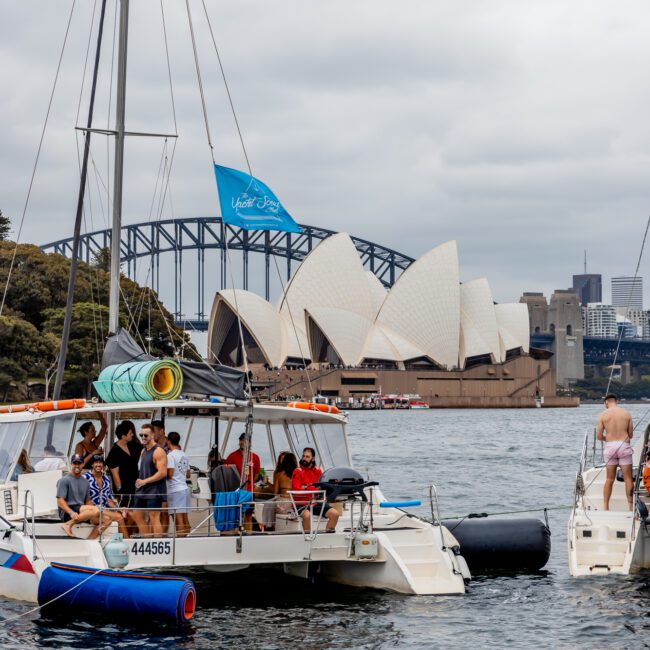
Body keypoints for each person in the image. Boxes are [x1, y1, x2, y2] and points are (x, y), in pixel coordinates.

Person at [597, 393, 634, 511]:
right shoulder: (627, 414)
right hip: (624, 446)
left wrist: (606, 438)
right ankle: (630, 507)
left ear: (606, 402)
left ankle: (606, 507)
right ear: (616, 401)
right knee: (628, 478)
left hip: (610, 447)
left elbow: (598, 436)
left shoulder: (603, 415)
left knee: (609, 479)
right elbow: (631, 435)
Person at [131, 423, 168, 537]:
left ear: (152, 435)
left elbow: (162, 473)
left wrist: (145, 481)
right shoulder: (143, 451)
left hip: (154, 490)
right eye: (141, 435)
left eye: (145, 435)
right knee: (136, 514)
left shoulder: (158, 451)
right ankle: (147, 539)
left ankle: (157, 543)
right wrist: (140, 480)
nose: (142, 437)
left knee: (154, 516)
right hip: (142, 489)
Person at [56, 453, 105, 539]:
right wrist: (71, 513)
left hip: (81, 510)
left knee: (105, 519)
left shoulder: (85, 482)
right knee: (96, 510)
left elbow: (88, 501)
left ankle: (90, 540)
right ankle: (68, 524)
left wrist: (96, 513)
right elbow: (60, 501)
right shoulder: (64, 480)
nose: (77, 466)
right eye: (75, 463)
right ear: (71, 464)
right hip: (68, 512)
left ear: (83, 464)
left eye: (79, 463)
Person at [291, 447, 339, 533]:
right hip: (301, 504)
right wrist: (313, 488)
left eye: (307, 457)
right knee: (306, 515)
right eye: (303, 456)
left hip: (315, 503)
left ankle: (327, 537)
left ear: (313, 459)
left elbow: (321, 488)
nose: (304, 458)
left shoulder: (318, 471)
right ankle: (308, 538)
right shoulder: (297, 471)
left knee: (335, 514)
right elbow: (296, 491)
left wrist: (305, 487)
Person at [83, 455, 129, 538]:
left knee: (121, 515)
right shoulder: (85, 478)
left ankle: (123, 542)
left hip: (104, 509)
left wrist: (119, 509)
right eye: (96, 462)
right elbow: (84, 499)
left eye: (100, 462)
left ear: (103, 465)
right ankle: (127, 543)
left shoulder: (106, 479)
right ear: (92, 465)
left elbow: (109, 500)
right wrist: (95, 509)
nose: (98, 464)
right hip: (91, 510)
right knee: (118, 518)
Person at [106, 420, 141, 509]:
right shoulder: (114, 452)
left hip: (135, 486)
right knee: (126, 511)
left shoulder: (132, 446)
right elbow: (115, 474)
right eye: (130, 433)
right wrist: (120, 491)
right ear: (123, 436)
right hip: (124, 489)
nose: (132, 435)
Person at [261, 451, 298, 530]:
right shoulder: (298, 472)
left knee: (269, 504)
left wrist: (267, 482)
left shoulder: (278, 473)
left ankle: (270, 527)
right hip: (295, 503)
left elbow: (275, 492)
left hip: (283, 502)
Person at [166, 432, 191, 537]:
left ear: (168, 441)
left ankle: (181, 541)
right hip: (184, 488)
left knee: (178, 518)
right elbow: (188, 474)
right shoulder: (184, 454)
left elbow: (170, 475)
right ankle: (186, 539)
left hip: (175, 490)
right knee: (184, 518)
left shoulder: (170, 456)